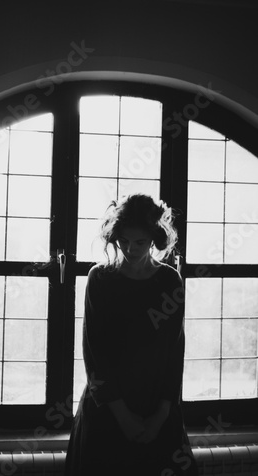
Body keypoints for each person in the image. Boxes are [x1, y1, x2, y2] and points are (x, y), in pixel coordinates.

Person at [65, 193, 198, 476]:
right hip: (107, 408)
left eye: (139, 242)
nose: (130, 249)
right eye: (123, 241)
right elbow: (94, 354)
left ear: (154, 239)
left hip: (157, 407)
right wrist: (123, 417)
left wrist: (160, 416)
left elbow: (175, 354)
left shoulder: (168, 280)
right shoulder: (100, 279)